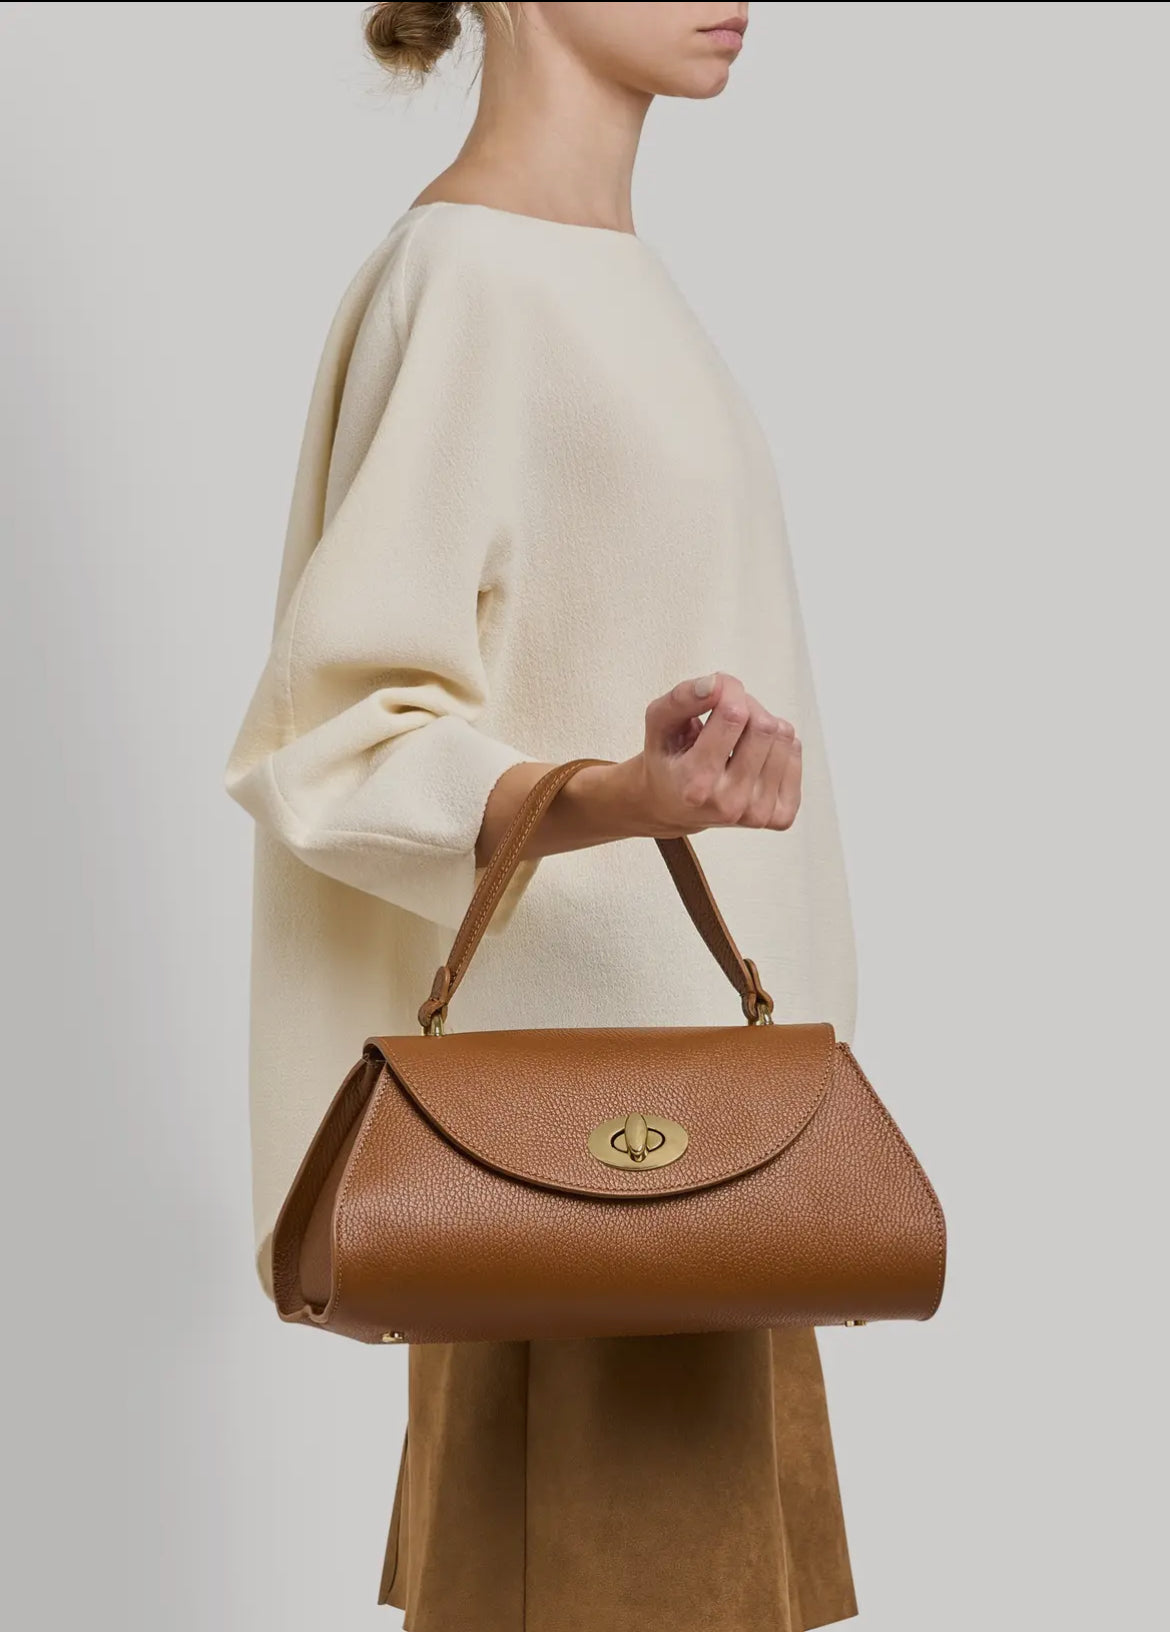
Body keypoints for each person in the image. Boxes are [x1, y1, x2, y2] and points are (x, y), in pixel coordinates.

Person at [226, 3, 860, 1627]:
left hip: (711, 1160)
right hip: (581, 1171)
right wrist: (622, 796)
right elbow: (342, 741)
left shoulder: (611, 279)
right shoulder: (469, 280)